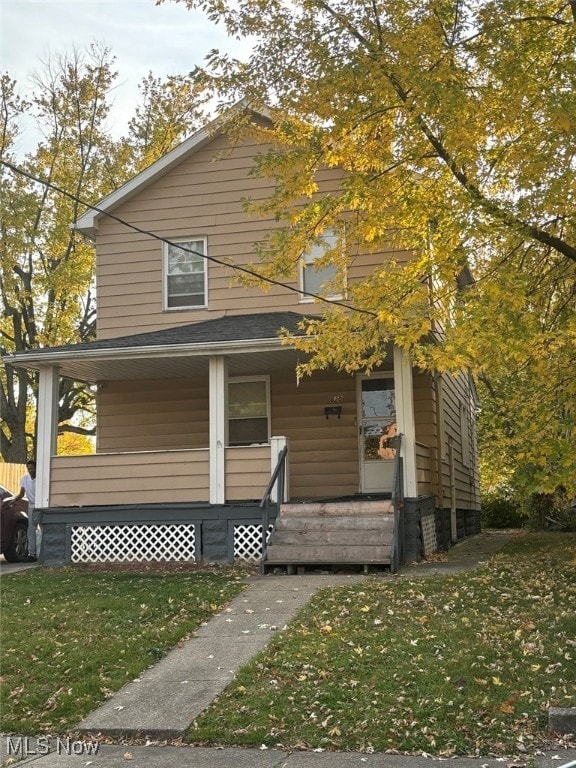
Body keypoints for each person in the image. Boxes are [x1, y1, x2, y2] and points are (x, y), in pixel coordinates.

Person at [12, 460, 38, 562]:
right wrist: (14, 500)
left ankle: (43, 552)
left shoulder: (40, 478)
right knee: (31, 530)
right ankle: (32, 554)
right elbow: (22, 494)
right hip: (31, 506)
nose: (31, 470)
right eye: (29, 469)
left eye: (32, 468)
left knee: (44, 529)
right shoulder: (25, 479)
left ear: (36, 468)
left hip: (41, 506)